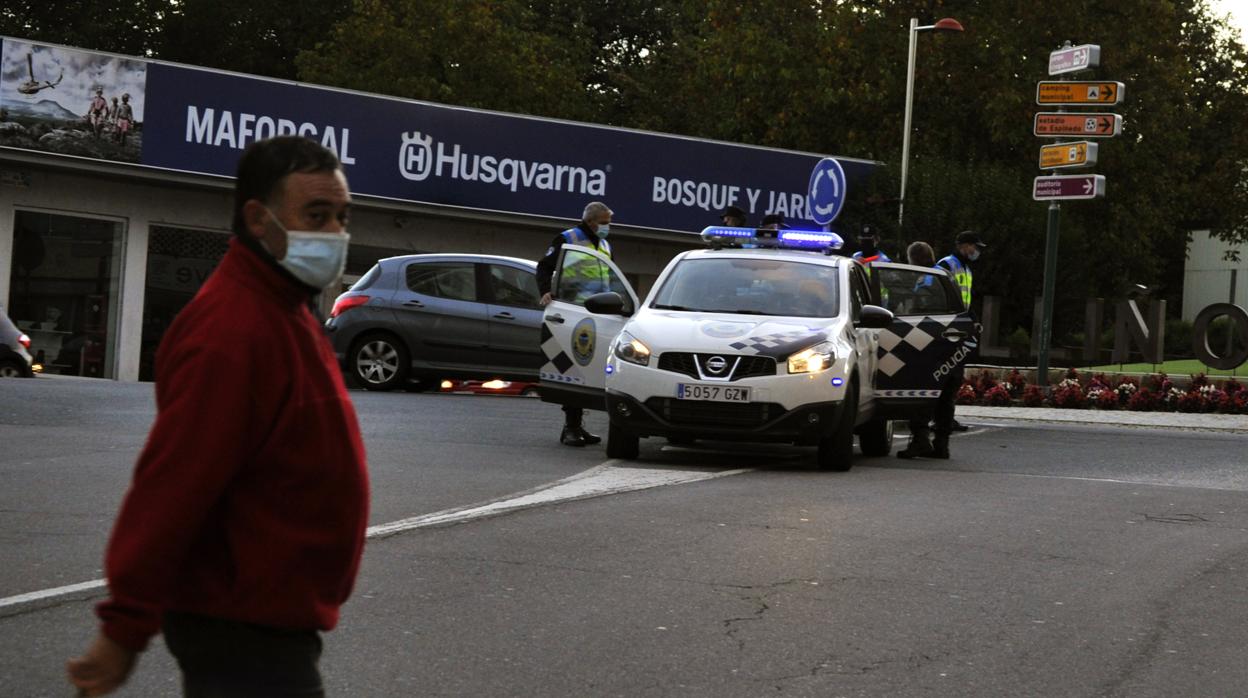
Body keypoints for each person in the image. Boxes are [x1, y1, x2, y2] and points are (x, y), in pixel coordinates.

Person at [67, 136, 369, 697]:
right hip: (240, 628)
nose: (334, 234)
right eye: (316, 216)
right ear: (258, 219)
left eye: (342, 217)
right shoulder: (231, 332)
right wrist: (124, 630)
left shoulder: (285, 306)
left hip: (272, 622)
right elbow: (173, 488)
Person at [537, 201, 614, 447]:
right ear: (591, 221)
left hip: (598, 314)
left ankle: (578, 426)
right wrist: (546, 291)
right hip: (573, 311)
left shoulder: (604, 244)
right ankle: (570, 427)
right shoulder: (568, 238)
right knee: (573, 370)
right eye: (605, 222)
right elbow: (544, 266)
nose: (607, 227)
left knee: (589, 370)